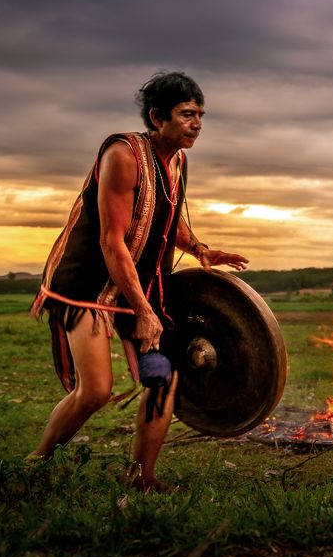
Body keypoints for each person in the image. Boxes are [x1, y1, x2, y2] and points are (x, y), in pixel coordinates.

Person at [29, 71, 248, 490]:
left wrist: (200, 248)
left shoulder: (178, 161)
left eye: (201, 114)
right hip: (88, 286)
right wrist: (145, 313)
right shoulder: (123, 155)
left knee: (163, 380)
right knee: (94, 391)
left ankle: (142, 477)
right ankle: (36, 462)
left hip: (140, 284)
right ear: (156, 117)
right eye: (187, 114)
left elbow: (162, 218)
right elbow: (113, 242)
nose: (197, 123)